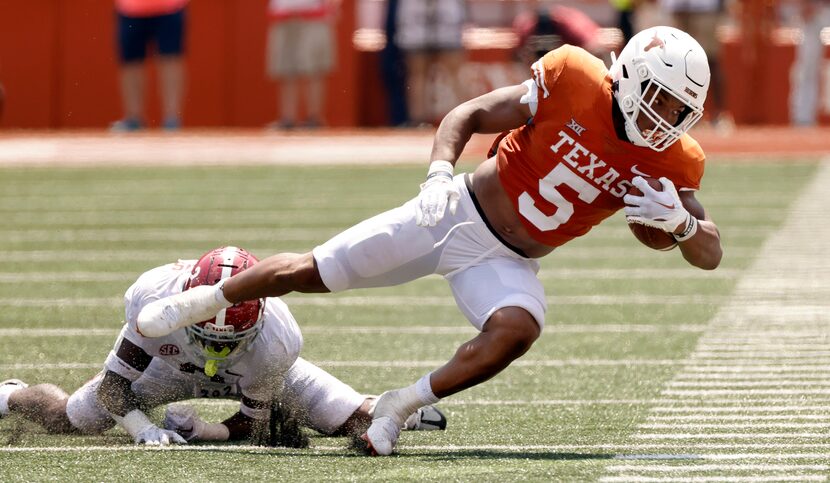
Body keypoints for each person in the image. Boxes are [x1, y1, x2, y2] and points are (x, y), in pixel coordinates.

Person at [136, 26, 723, 455]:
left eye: (680, 110)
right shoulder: (574, 77)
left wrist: (683, 225)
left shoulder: (673, 159)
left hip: (509, 260)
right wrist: (440, 171)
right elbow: (468, 114)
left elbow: (710, 253)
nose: (665, 119)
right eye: (661, 99)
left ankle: (398, 405)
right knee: (311, 271)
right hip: (455, 213)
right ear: (629, 77)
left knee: (518, 329)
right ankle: (205, 301)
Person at [0, 246, 445, 446]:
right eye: (207, 337)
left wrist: (206, 432)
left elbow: (254, 425)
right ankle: (10, 394)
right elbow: (113, 389)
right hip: (167, 368)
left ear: (258, 319)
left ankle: (390, 407)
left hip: (251, 372)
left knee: (350, 423)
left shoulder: (277, 338)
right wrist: (142, 428)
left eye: (227, 341)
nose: (216, 351)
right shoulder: (155, 298)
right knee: (71, 419)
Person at [111, 0, 189, 132]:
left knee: (170, 60)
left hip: (170, 6)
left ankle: (172, 120)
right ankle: (133, 119)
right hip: (130, 8)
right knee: (131, 63)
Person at [658, 0, 733, 130]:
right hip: (678, 9)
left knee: (709, 61)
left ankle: (719, 114)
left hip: (704, 9)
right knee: (676, 63)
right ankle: (682, 113)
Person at [266, 0, 339, 129]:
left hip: (314, 15)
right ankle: (287, 118)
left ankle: (314, 118)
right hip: (283, 15)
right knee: (286, 68)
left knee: (313, 68)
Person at [395, 0, 467, 126]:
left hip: (420, 22)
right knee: (453, 75)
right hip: (443, 21)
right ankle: (467, 118)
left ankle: (418, 122)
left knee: (419, 76)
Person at [788, 0, 830, 126]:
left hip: (822, 9)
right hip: (815, 12)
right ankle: (803, 117)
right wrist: (805, 5)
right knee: (807, 69)